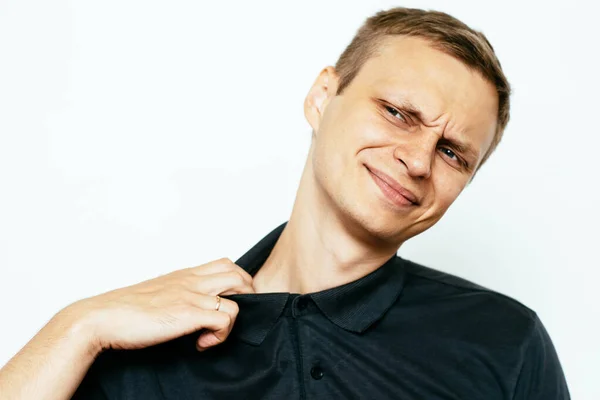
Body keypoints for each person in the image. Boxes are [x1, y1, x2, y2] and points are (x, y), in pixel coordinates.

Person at [0, 6, 570, 400]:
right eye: (398, 113)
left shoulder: (506, 342)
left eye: (451, 152)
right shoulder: (141, 340)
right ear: (323, 97)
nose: (418, 160)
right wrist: (77, 327)